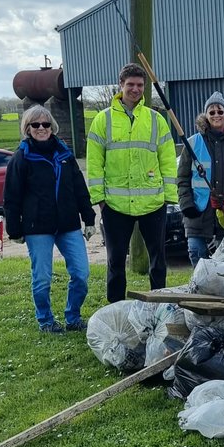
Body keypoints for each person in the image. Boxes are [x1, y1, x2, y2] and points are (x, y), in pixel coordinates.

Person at [86, 63, 178, 302]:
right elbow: (94, 163)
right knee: (115, 261)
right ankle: (115, 308)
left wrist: (168, 197)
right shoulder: (103, 120)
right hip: (115, 205)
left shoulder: (156, 120)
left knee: (158, 260)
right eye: (130, 84)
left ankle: (158, 304)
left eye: (139, 85)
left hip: (153, 203)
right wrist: (100, 200)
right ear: (121, 85)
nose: (135, 89)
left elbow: (168, 160)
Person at [3, 107, 96, 333]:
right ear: (27, 129)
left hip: (68, 224)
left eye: (45, 124)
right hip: (38, 227)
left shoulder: (65, 154)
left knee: (81, 274)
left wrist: (89, 218)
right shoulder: (21, 158)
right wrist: (14, 230)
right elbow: (11, 197)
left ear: (52, 126)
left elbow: (79, 187)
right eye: (35, 125)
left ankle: (73, 317)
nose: (41, 128)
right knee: (42, 278)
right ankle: (45, 320)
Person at [176, 91, 224, 268]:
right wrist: (187, 205)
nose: (216, 115)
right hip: (198, 212)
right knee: (196, 253)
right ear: (206, 115)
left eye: (220, 111)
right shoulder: (192, 143)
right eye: (212, 112)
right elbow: (182, 179)